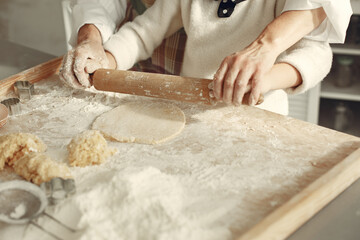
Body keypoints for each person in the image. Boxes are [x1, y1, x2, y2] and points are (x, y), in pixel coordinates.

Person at [60, 0, 352, 115]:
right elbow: (142, 32)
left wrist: (266, 79)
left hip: (259, 117)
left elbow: (316, 54)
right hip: (191, 113)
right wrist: (107, 58)